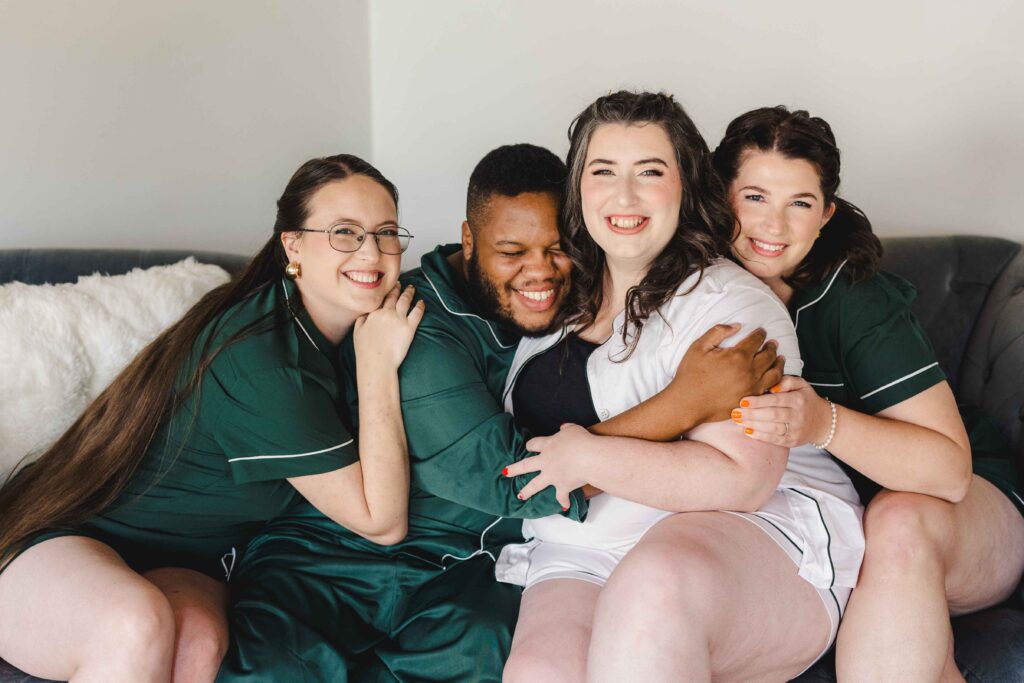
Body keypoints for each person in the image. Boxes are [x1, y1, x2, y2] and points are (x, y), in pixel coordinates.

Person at [216, 143, 784, 682]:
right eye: (511, 252)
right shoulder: (418, 323)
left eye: (558, 247)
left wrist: (767, 282)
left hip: (467, 570)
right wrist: (683, 403)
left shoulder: (587, 301)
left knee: (487, 645)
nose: (539, 273)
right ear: (469, 240)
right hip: (331, 559)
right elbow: (514, 483)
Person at [0, 154, 423, 683]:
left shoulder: (323, 328)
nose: (371, 251)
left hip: (185, 559)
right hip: (63, 538)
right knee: (133, 624)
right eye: (344, 232)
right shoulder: (267, 363)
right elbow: (381, 522)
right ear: (293, 245)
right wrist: (377, 365)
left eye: (385, 232)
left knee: (196, 645)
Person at [497, 91, 865, 683]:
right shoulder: (558, 299)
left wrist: (589, 456)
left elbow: (742, 479)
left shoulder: (731, 306)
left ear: (687, 185)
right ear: (577, 190)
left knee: (652, 589)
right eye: (603, 172)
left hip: (748, 537)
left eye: (650, 172)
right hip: (582, 550)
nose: (625, 196)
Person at [712, 106, 1024, 681]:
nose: (773, 226)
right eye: (754, 197)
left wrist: (821, 421)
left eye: (799, 203)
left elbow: (949, 472)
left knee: (897, 521)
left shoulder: (854, 299)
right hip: (830, 529)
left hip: (963, 514)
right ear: (718, 195)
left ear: (825, 214)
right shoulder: (692, 289)